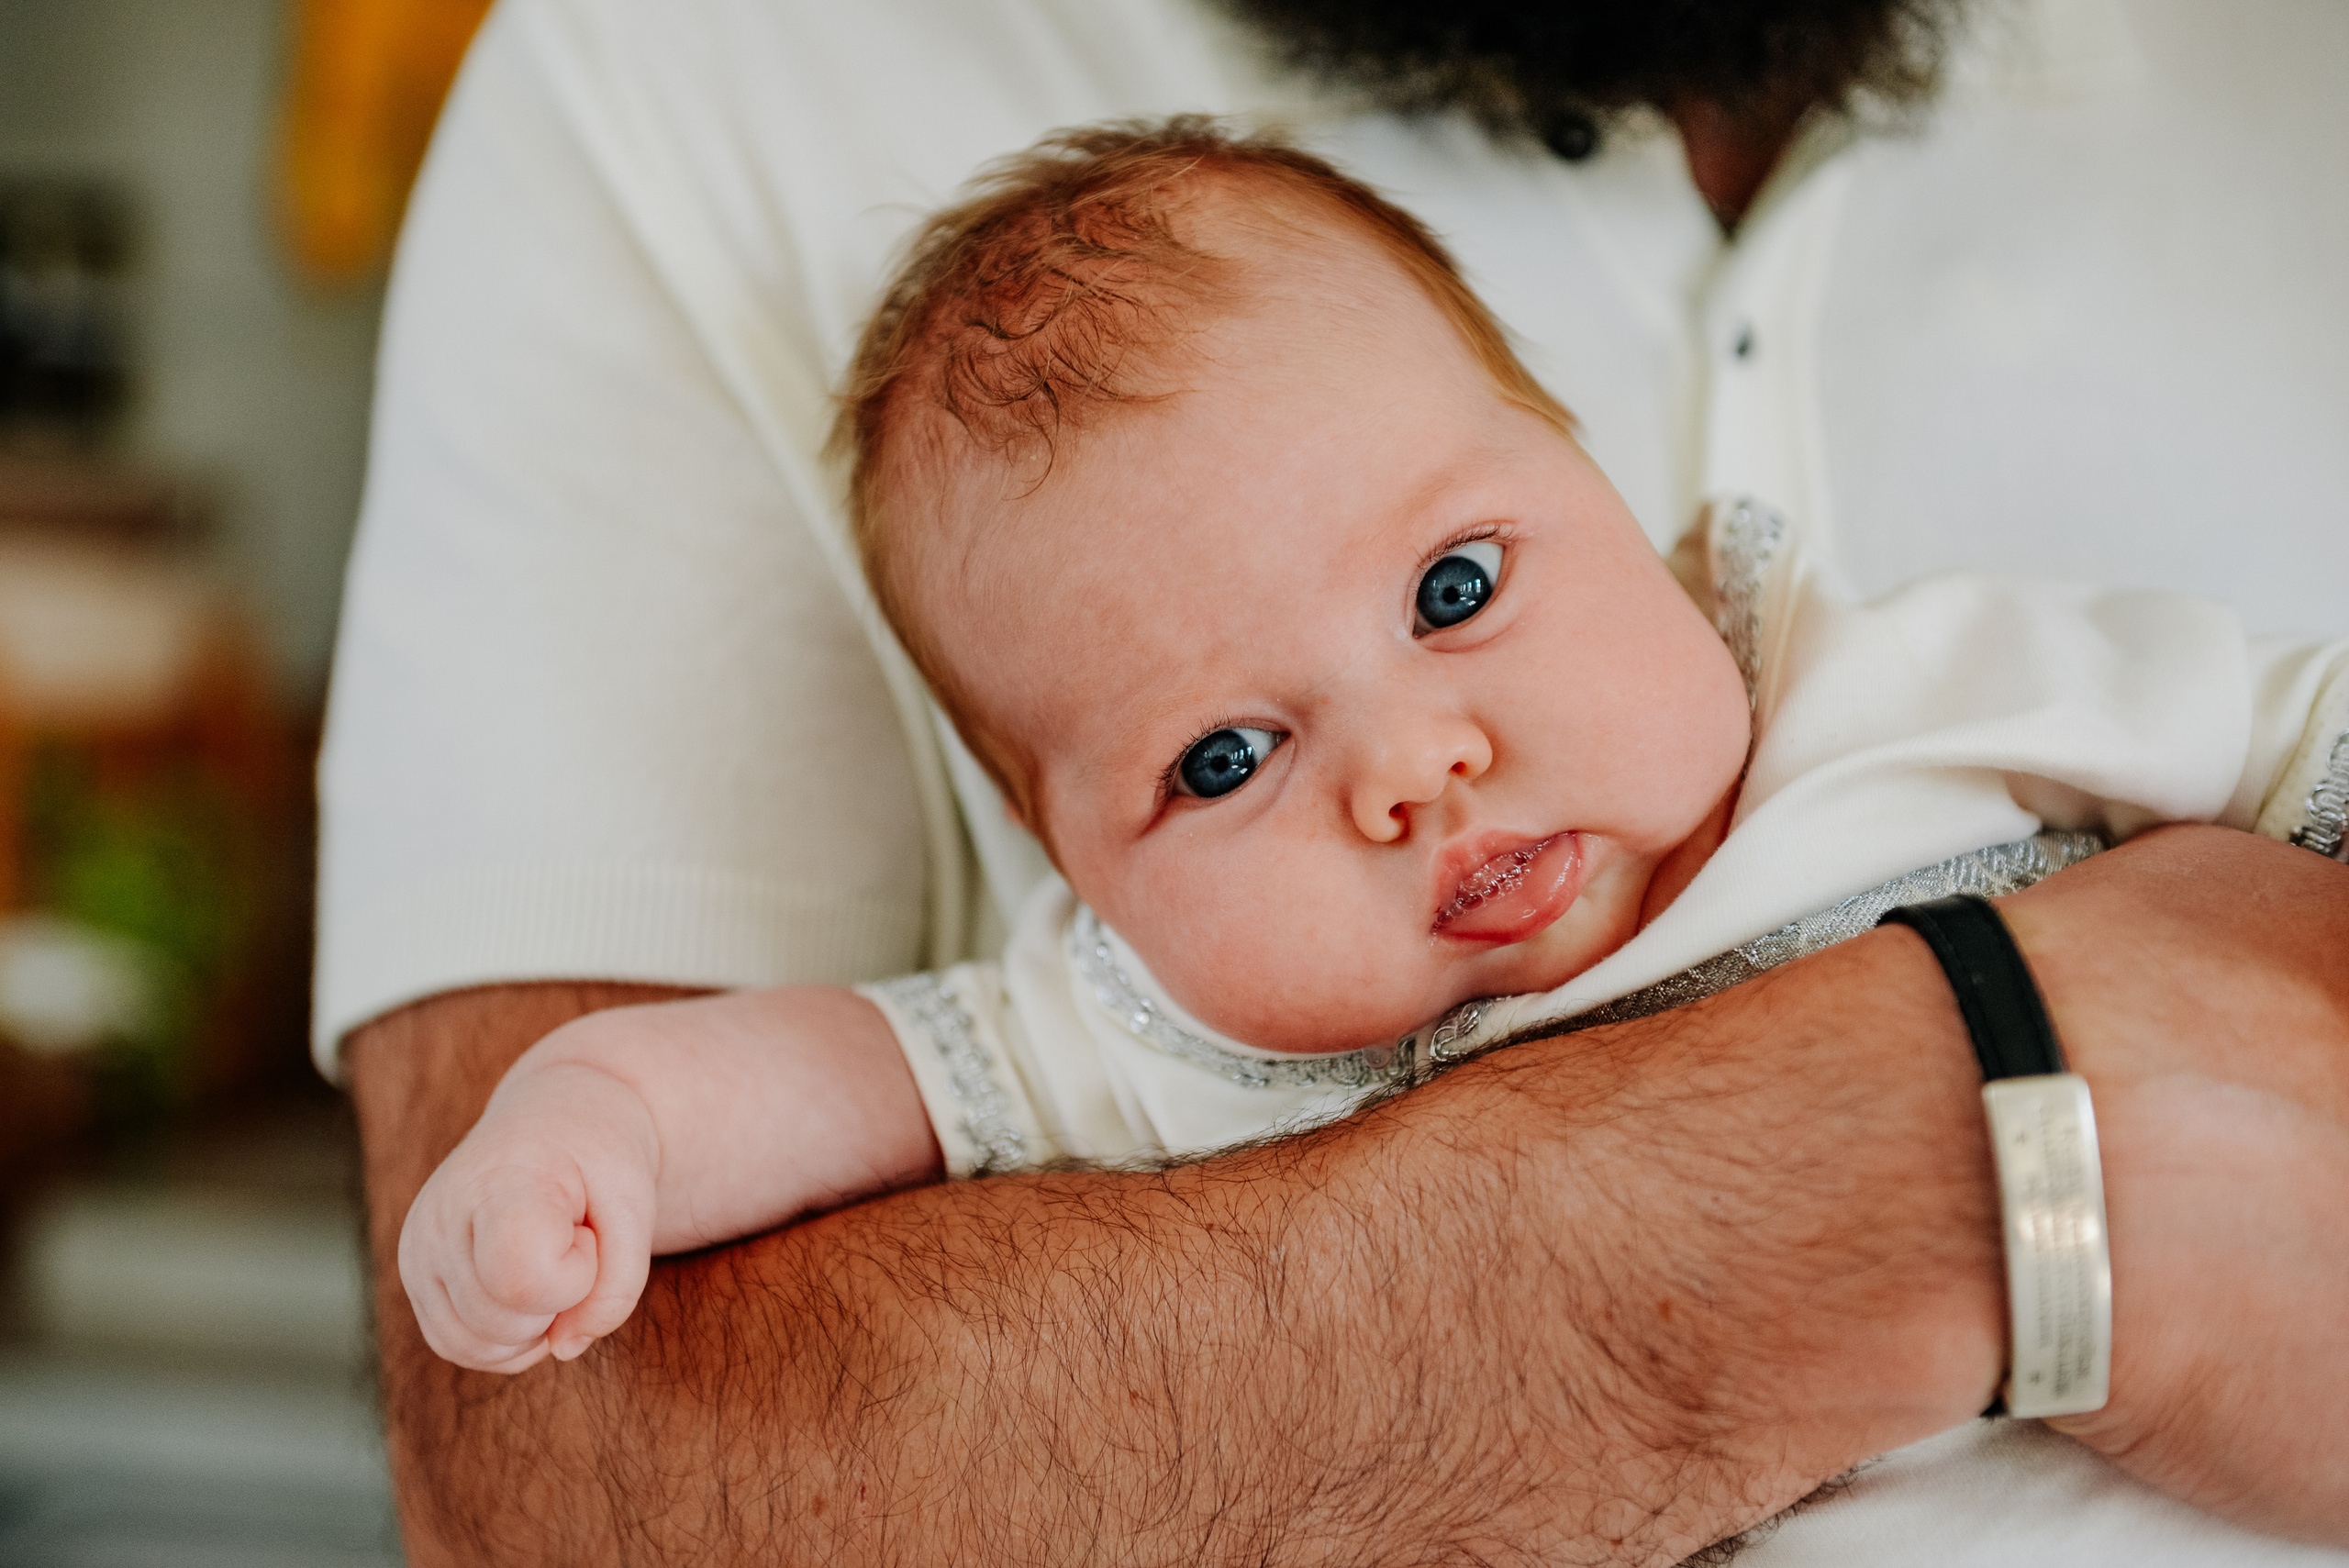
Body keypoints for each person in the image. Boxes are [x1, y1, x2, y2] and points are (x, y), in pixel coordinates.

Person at [321, 2, 2349, 1562]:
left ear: (1629, 519)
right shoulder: (1173, 1023)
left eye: (1455, 589)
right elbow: (797, 1135)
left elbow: (2295, 737)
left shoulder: (1905, 696)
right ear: (1075, 863)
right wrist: (587, 1133)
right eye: (1220, 760)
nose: (1401, 770)